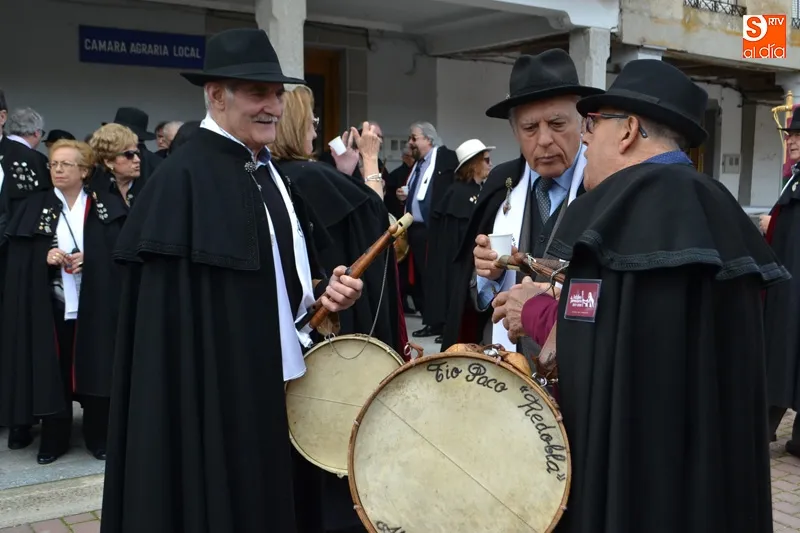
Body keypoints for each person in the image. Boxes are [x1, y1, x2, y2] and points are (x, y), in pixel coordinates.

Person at [493, 59, 785, 532]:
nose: (585, 139)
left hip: (637, 485)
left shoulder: (620, 211)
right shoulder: (718, 207)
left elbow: (596, 354)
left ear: (627, 130)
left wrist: (537, 310)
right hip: (711, 481)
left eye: (592, 124)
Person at [100, 28, 365, 533]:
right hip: (218, 403)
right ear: (216, 95)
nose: (273, 107)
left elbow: (269, 278)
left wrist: (320, 292)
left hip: (281, 388)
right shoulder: (183, 180)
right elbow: (174, 327)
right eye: (258, 93)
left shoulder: (268, 171)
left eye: (278, 94)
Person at [440, 50, 600, 356]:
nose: (544, 140)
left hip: (574, 363)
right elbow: (469, 297)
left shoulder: (603, 188)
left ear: (583, 124)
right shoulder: (501, 184)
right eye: (530, 128)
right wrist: (488, 274)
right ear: (515, 132)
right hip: (506, 364)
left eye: (557, 123)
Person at [425, 139, 493, 346]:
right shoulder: (457, 193)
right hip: (459, 264)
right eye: (486, 160)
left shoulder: (480, 190)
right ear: (474, 163)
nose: (490, 164)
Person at [763, 107, 800, 451]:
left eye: (799, 136)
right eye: (791, 135)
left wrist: (770, 223)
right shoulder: (795, 177)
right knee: (782, 352)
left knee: (784, 353)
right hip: (788, 282)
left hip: (793, 286)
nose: (792, 141)